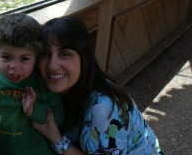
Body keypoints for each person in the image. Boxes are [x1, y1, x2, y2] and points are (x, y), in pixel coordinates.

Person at [33, 16, 162, 155]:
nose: (52, 65)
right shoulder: (61, 87)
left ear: (84, 58)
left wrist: (56, 139)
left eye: (64, 54)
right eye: (46, 53)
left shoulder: (103, 108)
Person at [0, 13, 65, 155]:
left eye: (24, 58)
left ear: (36, 58)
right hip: (5, 148)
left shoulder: (40, 80)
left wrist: (33, 110)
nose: (14, 67)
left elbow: (59, 117)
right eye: (6, 57)